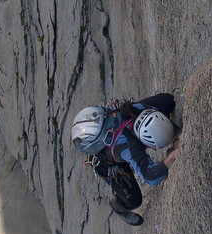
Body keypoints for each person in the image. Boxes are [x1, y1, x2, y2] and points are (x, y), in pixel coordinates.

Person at [71, 93, 180, 226]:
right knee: (133, 200)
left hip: (121, 132)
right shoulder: (128, 145)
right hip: (107, 164)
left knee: (168, 101)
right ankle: (119, 207)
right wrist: (172, 156)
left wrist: (170, 139)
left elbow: (168, 99)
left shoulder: (136, 109)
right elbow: (151, 177)